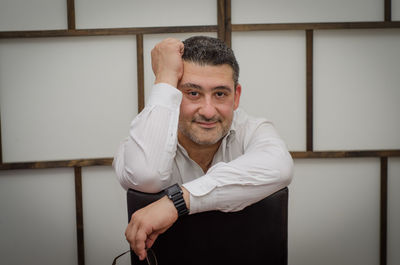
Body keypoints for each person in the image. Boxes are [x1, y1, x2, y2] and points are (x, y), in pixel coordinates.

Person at [113, 36, 293, 261]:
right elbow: (145, 175)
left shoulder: (254, 130)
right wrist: (165, 77)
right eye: (193, 93)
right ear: (173, 95)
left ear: (235, 97)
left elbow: (280, 167)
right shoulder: (140, 144)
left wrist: (178, 202)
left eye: (220, 94)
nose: (208, 112)